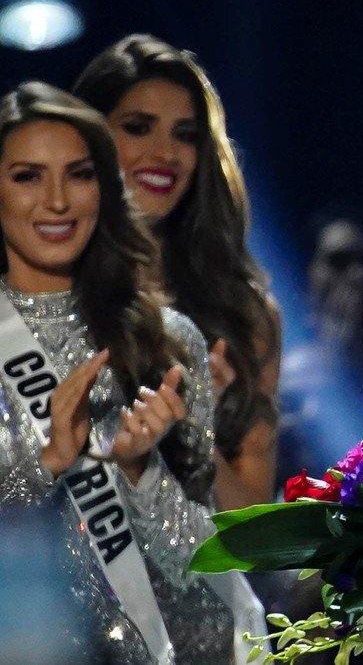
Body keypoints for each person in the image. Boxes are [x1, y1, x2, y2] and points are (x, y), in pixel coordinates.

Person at [0, 82, 247, 663]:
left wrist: (140, 469)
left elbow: (202, 565)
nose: (57, 201)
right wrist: (49, 464)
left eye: (79, 174)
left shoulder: (167, 341)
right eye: (28, 176)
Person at [72, 34, 282, 511]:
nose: (166, 153)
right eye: (139, 127)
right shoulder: (44, 284)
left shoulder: (244, 315)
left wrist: (195, 419)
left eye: (185, 134)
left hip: (195, 580)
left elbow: (252, 523)